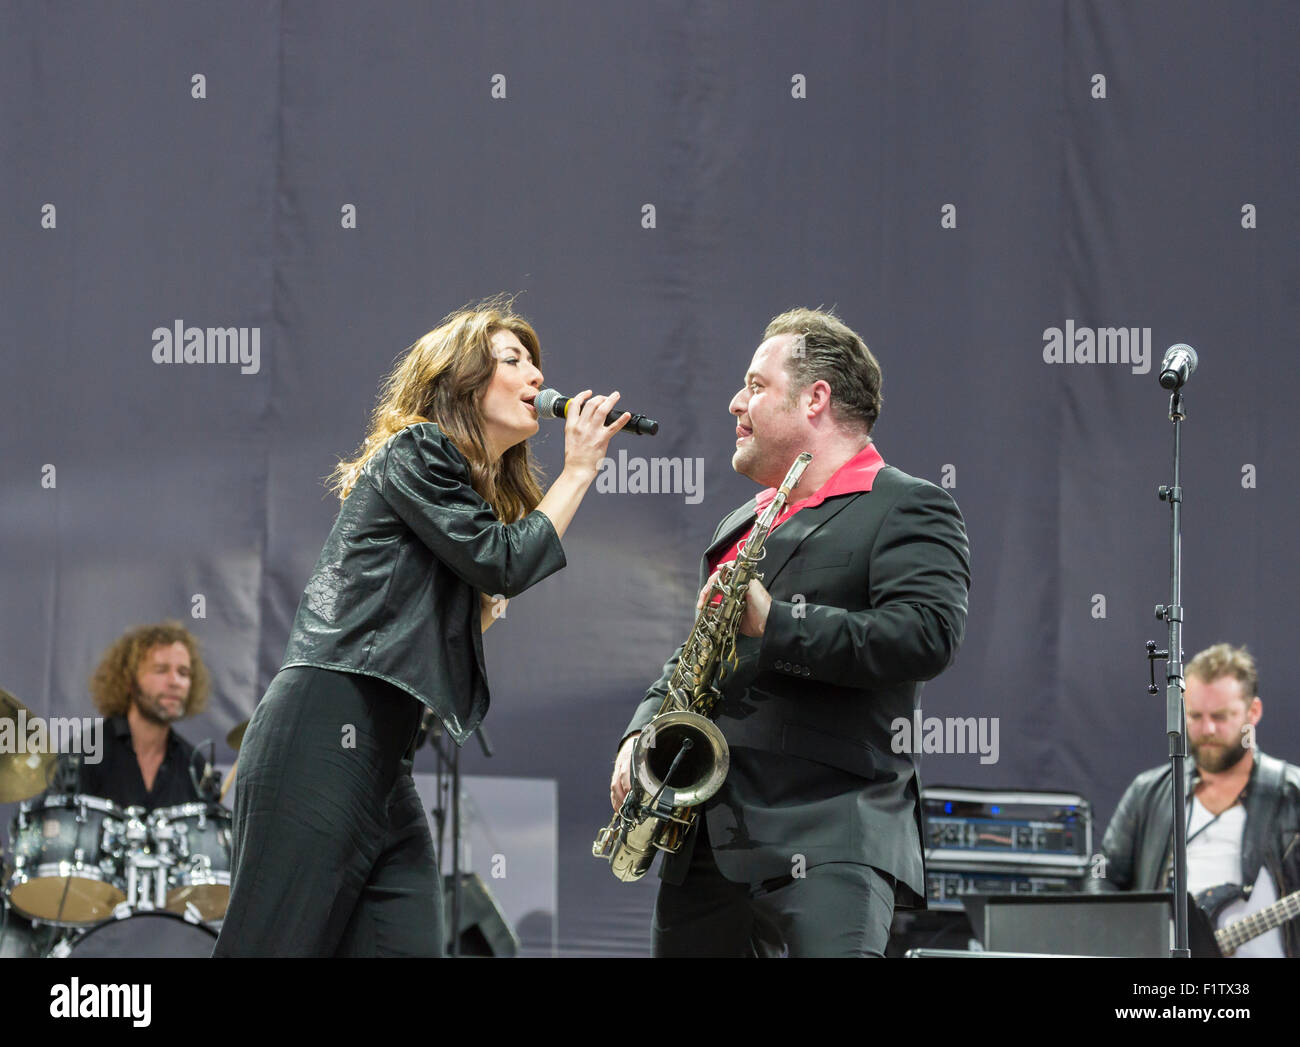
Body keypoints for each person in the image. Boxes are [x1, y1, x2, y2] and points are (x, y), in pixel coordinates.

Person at [213, 300, 628, 957]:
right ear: (461, 377)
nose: (536, 375)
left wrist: (475, 610)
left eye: (536, 363)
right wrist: (579, 469)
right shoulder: (419, 447)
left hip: (386, 758)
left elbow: (451, 603)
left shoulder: (457, 493)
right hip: (322, 732)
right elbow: (508, 560)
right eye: (513, 359)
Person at [609, 307, 971, 957]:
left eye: (754, 385)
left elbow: (925, 634)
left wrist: (776, 623)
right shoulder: (734, 526)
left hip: (831, 835)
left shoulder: (907, 505)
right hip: (708, 847)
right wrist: (642, 728)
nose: (734, 402)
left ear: (815, 398)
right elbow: (697, 653)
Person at [1092, 643, 1300, 957]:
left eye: (1220, 716)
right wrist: (1128, 937)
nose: (1207, 729)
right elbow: (1102, 874)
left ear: (1252, 712)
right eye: (1195, 716)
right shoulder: (1150, 792)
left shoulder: (1292, 793)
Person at [79, 621, 207, 811]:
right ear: (129, 680)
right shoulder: (88, 751)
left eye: (183, 672)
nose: (175, 682)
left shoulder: (193, 765)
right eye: (161, 670)